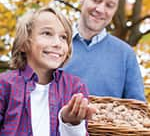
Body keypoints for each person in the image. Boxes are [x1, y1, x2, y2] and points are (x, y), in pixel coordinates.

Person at [0, 7, 96, 136]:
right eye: (47, 33)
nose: (57, 43)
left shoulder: (75, 87)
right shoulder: (4, 85)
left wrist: (71, 124)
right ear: (24, 44)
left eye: (63, 37)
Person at [64, 0, 146, 101]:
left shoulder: (125, 55)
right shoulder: (56, 44)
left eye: (109, 5)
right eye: (96, 0)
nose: (101, 9)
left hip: (107, 122)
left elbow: (138, 112)